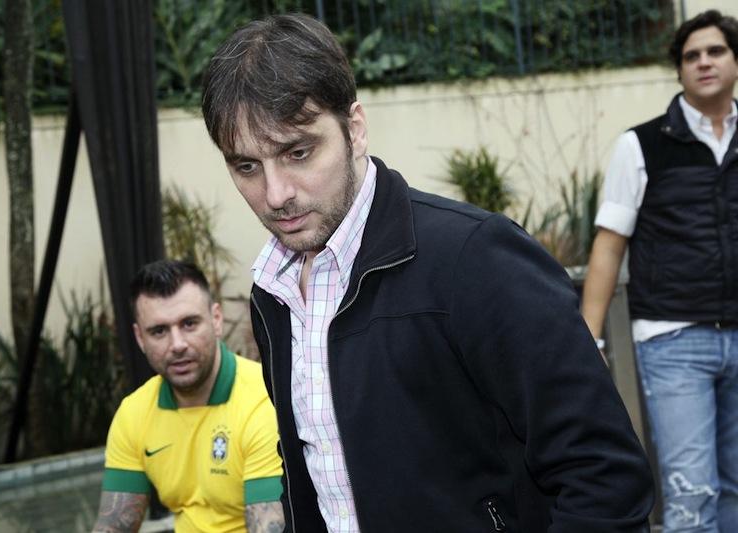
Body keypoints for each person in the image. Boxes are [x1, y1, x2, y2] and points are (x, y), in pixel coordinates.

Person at [201, 13, 654, 533]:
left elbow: (604, 478)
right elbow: (317, 474)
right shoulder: (273, 291)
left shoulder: (474, 257)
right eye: (247, 166)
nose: (276, 193)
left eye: (298, 152)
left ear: (354, 128)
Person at [581, 9, 738, 533]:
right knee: (692, 493)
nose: (704, 62)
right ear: (679, 70)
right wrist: (588, 338)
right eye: (691, 56)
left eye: (715, 51)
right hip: (674, 338)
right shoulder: (640, 145)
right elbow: (609, 246)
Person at [92, 260, 285, 533]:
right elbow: (113, 525)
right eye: (159, 331)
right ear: (140, 338)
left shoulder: (264, 400)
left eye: (189, 324)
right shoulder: (134, 413)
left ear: (216, 319)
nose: (177, 345)